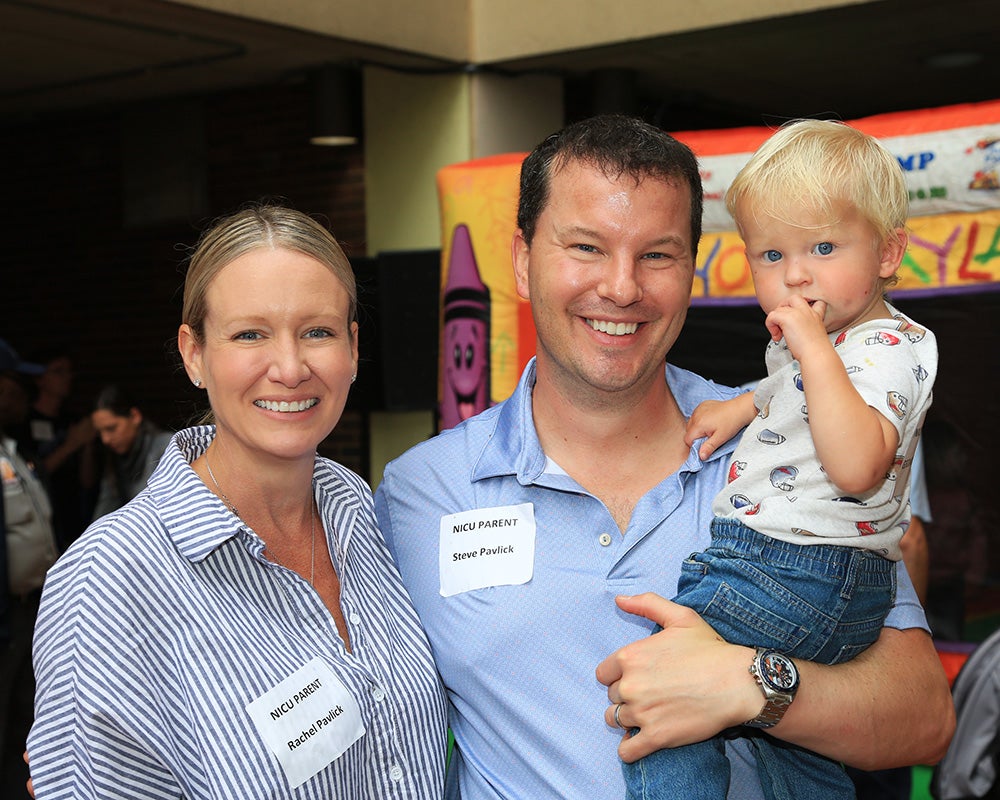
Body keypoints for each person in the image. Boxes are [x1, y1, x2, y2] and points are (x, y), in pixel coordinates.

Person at [374, 114, 954, 800]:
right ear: (524, 262)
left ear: (692, 271)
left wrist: (752, 687)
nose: (621, 288)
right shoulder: (420, 493)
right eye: (586, 247)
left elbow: (923, 718)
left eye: (657, 254)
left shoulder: (787, 440)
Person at [28, 204, 447, 799]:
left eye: (317, 332)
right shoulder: (110, 581)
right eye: (250, 334)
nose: (290, 367)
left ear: (353, 348)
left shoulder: (362, 514)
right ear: (193, 353)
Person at [624, 119, 937, 798]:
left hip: (795, 568)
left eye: (823, 247)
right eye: (771, 256)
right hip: (813, 572)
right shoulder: (820, 347)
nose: (796, 274)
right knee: (798, 754)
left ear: (889, 253)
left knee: (661, 682)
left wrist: (810, 347)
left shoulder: (886, 348)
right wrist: (741, 407)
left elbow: (858, 464)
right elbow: (788, 394)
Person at [0, 340, 58, 796]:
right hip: (6, 616)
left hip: (26, 610)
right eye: (16, 385)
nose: (24, 396)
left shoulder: (10, 448)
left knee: (23, 715)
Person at [11, 349, 97, 550]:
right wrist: (72, 444)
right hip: (38, 517)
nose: (67, 378)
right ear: (40, 379)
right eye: (58, 371)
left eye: (69, 372)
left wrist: (87, 444)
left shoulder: (71, 420)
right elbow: (28, 476)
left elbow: (88, 481)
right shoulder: (22, 421)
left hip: (73, 517)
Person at [88, 383, 173, 521]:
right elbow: (105, 510)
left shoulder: (166, 447)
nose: (105, 439)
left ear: (134, 416)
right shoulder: (116, 459)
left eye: (111, 428)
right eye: (100, 432)